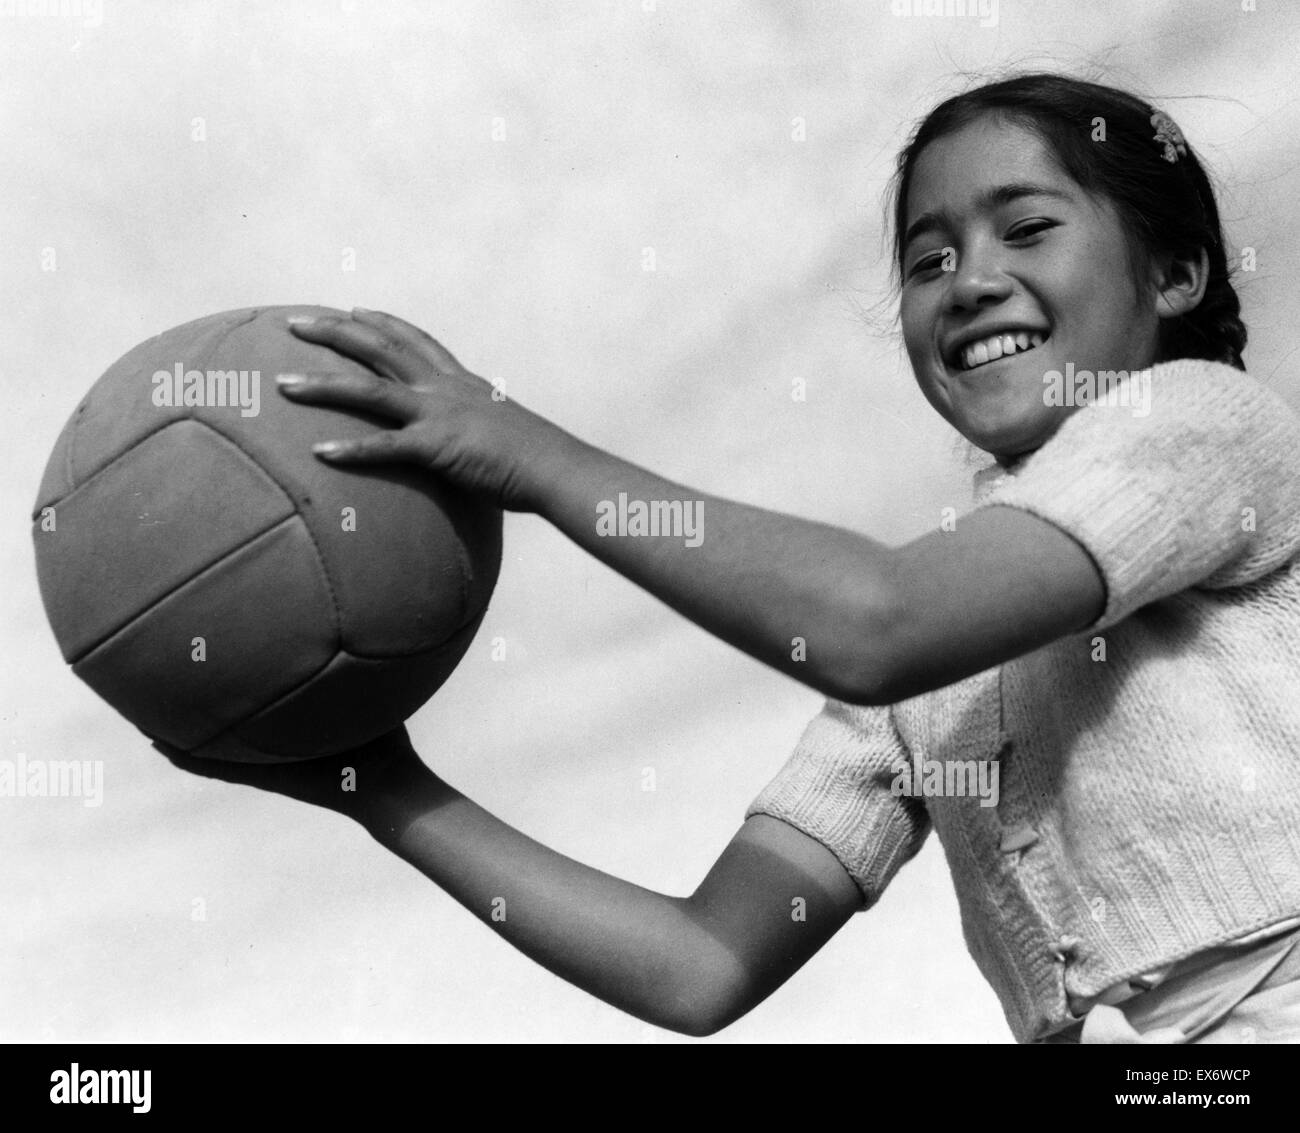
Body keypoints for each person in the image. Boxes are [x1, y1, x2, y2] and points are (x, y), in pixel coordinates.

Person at [165, 72, 1300, 1042]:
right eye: (926, 257)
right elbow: (697, 965)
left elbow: (875, 622)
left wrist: (533, 456)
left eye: (1027, 226)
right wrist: (382, 786)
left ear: (1174, 276)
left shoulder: (1203, 428)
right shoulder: (932, 693)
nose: (969, 279)